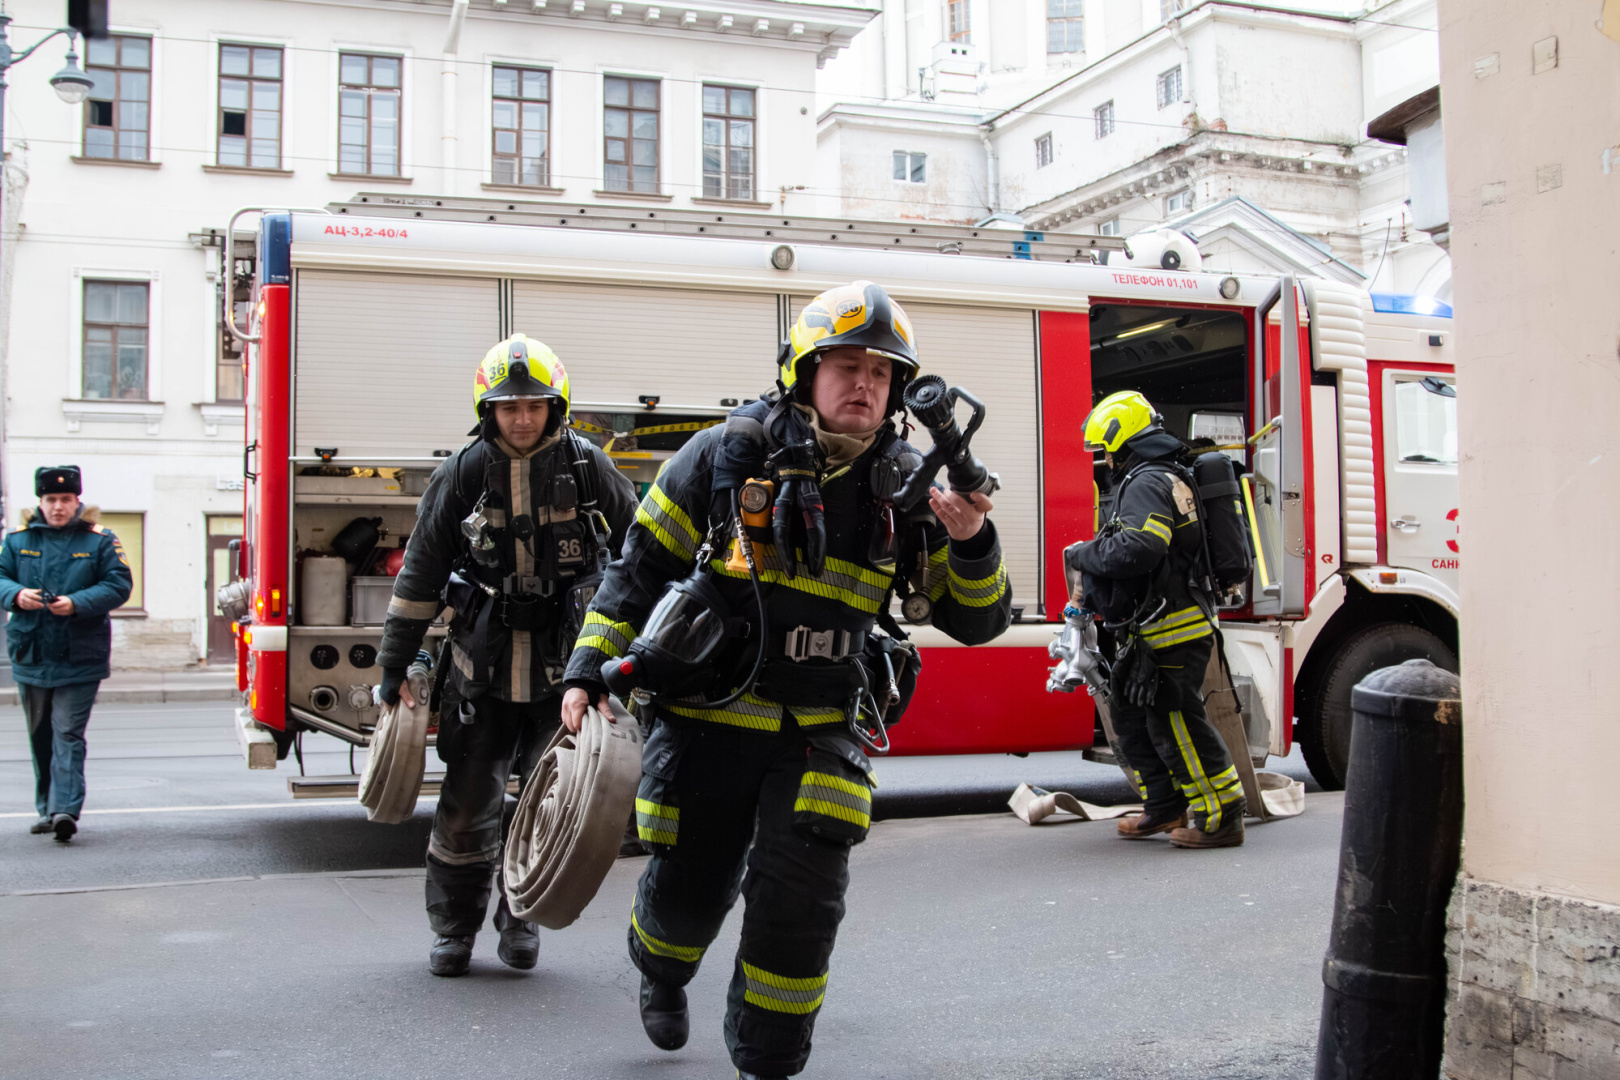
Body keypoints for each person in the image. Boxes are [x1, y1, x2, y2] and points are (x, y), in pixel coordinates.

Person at [559, 282, 1013, 1079]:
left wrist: (973, 541)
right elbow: (637, 571)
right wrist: (588, 671)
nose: (865, 383)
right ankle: (662, 969)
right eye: (846, 364)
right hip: (709, 716)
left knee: (800, 911)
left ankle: (769, 1059)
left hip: (820, 728)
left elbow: (979, 620)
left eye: (882, 371)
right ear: (804, 372)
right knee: (687, 895)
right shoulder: (726, 455)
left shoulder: (916, 485)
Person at [376, 334, 637, 977]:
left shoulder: (588, 467)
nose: (522, 417)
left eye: (534, 405)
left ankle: (520, 922)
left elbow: (642, 560)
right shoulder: (462, 472)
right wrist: (392, 665)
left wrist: (638, 661)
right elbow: (420, 575)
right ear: (486, 410)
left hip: (564, 678)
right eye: (508, 406)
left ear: (557, 406)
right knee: (466, 807)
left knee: (540, 806)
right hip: (479, 673)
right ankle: (454, 932)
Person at [1067, 390, 1246, 849]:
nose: (1105, 463)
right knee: (1129, 715)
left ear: (1120, 441)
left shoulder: (1147, 481)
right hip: (1150, 629)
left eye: (1105, 452)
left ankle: (1221, 815)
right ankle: (1164, 806)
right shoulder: (1161, 475)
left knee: (1177, 720)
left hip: (1173, 626)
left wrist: (1082, 553)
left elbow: (1140, 548)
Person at [0, 466, 133, 842]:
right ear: (40, 502)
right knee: (41, 735)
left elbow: (119, 584)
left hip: (80, 656)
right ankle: (47, 809)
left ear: (77, 501)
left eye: (65, 499)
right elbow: (0, 576)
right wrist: (15, 595)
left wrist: (77, 602)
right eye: (51, 500)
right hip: (32, 654)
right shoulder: (17, 539)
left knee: (68, 732)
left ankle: (65, 810)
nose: (58, 507)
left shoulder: (100, 540)